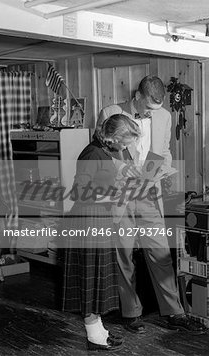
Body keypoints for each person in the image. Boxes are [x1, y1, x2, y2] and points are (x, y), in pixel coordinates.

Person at [97, 75, 205, 334]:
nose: (150, 113)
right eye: (147, 108)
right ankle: (131, 312)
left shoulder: (165, 117)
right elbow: (101, 152)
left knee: (161, 253)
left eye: (155, 110)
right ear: (137, 96)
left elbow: (163, 151)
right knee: (124, 255)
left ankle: (175, 312)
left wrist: (159, 170)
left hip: (147, 193)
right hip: (120, 194)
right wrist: (124, 170)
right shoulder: (111, 112)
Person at [62, 114, 140, 351]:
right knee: (90, 277)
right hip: (87, 221)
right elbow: (78, 193)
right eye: (125, 142)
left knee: (97, 278)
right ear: (114, 137)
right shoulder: (92, 153)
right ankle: (94, 334)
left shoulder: (103, 151)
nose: (126, 147)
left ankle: (97, 329)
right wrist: (114, 195)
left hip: (98, 218)